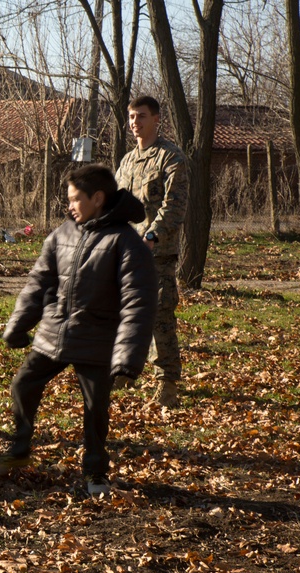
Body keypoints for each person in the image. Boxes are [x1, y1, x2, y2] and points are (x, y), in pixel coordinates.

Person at [0, 164, 157, 497]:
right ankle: (19, 450)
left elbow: (138, 303)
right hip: (53, 334)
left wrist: (127, 358)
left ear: (98, 198)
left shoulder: (126, 242)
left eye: (75, 199)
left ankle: (96, 474)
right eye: (69, 200)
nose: (69, 206)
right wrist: (17, 326)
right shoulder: (61, 234)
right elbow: (38, 282)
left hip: (96, 341)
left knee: (95, 411)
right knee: (22, 386)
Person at [114, 95, 189, 408]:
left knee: (159, 318)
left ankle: (167, 382)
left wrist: (152, 235)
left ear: (156, 119)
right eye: (132, 117)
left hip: (156, 253)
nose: (135, 123)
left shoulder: (171, 158)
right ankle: (126, 372)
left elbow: (175, 205)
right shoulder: (128, 161)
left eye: (141, 116)